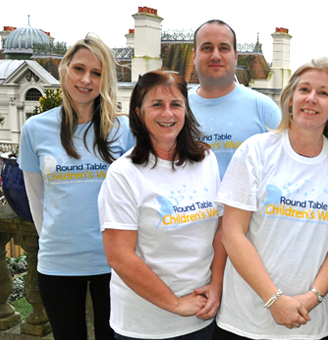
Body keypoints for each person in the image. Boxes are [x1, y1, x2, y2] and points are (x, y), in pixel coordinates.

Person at [213, 57, 328, 340]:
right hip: (246, 322)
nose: (312, 99)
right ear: (290, 99)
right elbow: (233, 234)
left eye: (323, 93)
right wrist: (274, 300)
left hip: (311, 322)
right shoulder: (255, 152)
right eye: (304, 89)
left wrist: (313, 297)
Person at [18, 34, 134, 340]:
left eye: (97, 73)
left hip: (115, 261)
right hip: (58, 263)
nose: (86, 79)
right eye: (79, 69)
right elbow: (36, 198)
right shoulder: (35, 130)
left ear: (105, 80)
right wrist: (56, 242)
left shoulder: (123, 131)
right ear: (64, 69)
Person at [98, 70, 225, 340]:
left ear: (186, 111)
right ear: (139, 113)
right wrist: (176, 304)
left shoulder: (206, 160)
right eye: (157, 104)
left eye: (176, 104)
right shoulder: (123, 174)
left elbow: (221, 231)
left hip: (201, 315)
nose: (167, 113)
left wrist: (216, 284)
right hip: (144, 325)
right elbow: (120, 256)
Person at [189, 19, 281, 177]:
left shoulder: (264, 109)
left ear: (235, 56)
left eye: (224, 48)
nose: (215, 56)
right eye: (207, 48)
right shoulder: (176, 109)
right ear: (194, 56)